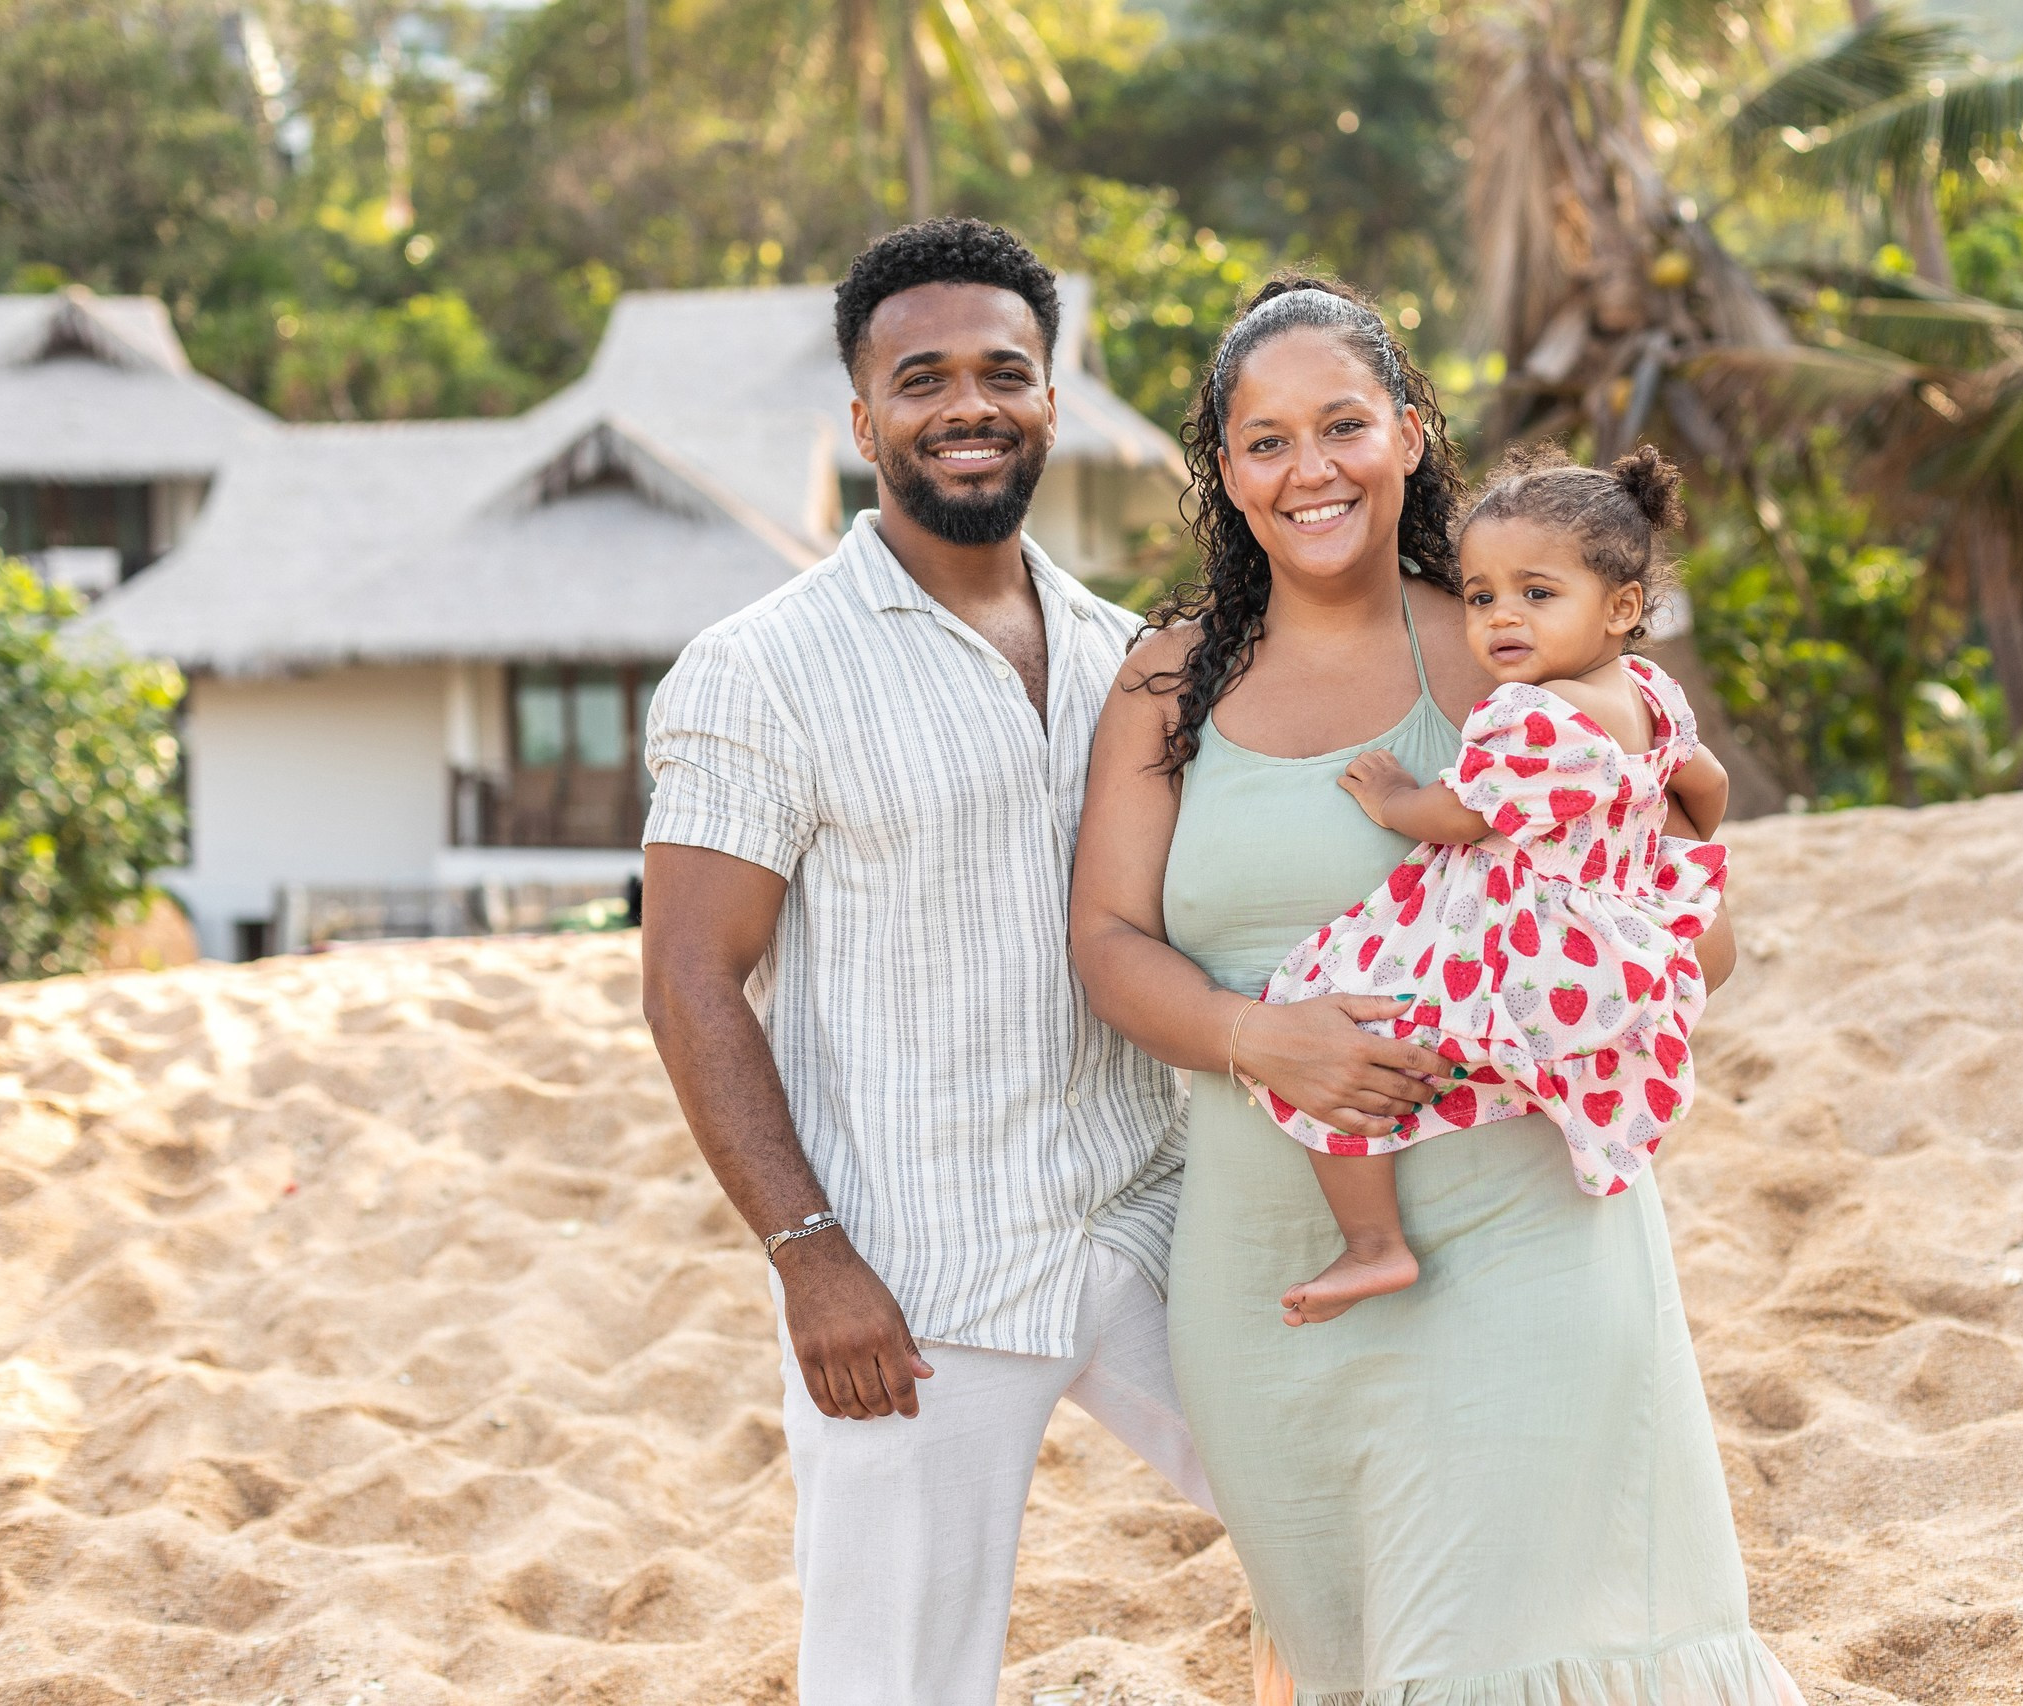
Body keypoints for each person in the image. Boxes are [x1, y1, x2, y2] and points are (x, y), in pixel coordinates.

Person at [1070, 277, 1805, 1705]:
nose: (1310, 468)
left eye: (1343, 424)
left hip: (1516, 1241)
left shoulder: (1512, 646)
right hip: (1269, 1272)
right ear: (1225, 468)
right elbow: (1106, 942)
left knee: (1496, 1660)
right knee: (1354, 1668)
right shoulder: (1166, 679)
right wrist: (1260, 1037)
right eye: (1266, 440)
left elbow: (1690, 925)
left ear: (1409, 433)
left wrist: (1570, 964)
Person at [639, 217, 1212, 1706]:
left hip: (1149, 1221)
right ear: (863, 418)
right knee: (897, 1681)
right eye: (923, 378)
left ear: (1051, 399)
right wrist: (808, 1254)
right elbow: (690, 980)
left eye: (1003, 373)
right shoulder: (761, 668)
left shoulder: (1129, 655)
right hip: (910, 1275)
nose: (969, 405)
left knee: (1349, 1526)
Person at [1248, 441, 1735, 1324]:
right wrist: (1665, 853)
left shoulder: (1535, 714)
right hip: (1618, 934)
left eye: (1537, 594)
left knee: (1325, 1002)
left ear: (1622, 606)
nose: (1502, 617)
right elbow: (1706, 783)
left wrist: (1393, 799)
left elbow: (1462, 816)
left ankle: (1374, 1244)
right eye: (1481, 597)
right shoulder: (1651, 693)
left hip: (1536, 943)